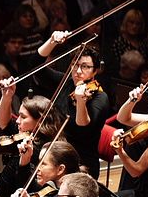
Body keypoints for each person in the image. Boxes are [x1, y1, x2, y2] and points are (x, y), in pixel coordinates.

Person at [35, 31, 111, 178]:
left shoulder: (100, 97)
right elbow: (36, 67)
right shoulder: (66, 83)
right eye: (75, 65)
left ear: (95, 71)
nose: (78, 71)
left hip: (81, 165)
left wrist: (81, 102)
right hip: (56, 158)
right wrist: (51, 41)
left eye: (85, 67)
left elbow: (83, 127)